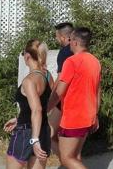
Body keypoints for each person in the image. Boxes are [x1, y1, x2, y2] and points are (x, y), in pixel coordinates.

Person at [48, 27, 101, 169]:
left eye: (70, 40)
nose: (69, 42)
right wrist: (95, 115)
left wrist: (46, 108)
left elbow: (59, 92)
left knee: (66, 159)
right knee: (75, 156)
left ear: (76, 42)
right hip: (88, 117)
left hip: (73, 119)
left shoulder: (71, 62)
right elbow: (97, 91)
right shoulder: (95, 61)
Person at [4, 39, 53, 169]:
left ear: (27, 56)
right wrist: (19, 119)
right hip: (43, 129)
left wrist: (34, 140)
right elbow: (47, 103)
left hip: (27, 133)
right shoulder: (47, 76)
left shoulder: (29, 81)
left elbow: (36, 109)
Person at [49, 22, 74, 156]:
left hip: (63, 100)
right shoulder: (81, 51)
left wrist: (51, 98)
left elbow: (60, 79)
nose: (56, 39)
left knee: (49, 133)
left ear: (63, 37)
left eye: (57, 37)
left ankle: (67, 162)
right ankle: (68, 161)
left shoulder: (64, 52)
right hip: (77, 100)